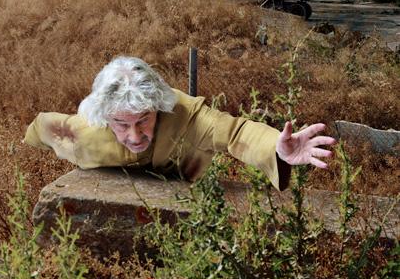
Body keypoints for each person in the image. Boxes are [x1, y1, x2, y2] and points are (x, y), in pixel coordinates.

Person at [24, 56, 336, 190]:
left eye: (144, 120)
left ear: (159, 107)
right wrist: (23, 147)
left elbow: (235, 133)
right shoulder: (83, 133)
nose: (135, 135)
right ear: (105, 118)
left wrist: (276, 148)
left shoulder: (187, 116)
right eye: (121, 124)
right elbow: (41, 127)